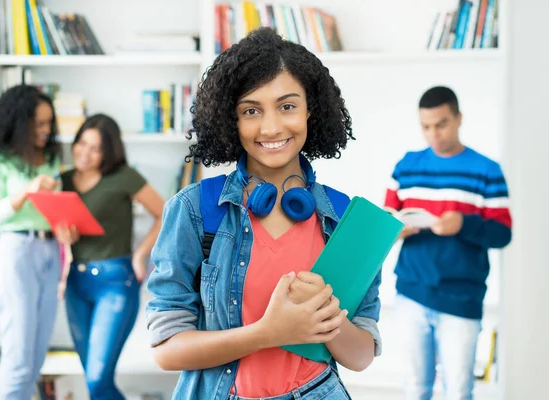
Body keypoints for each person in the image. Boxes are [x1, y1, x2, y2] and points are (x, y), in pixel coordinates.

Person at [146, 27, 382, 400]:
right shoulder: (194, 210)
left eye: (287, 106)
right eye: (251, 110)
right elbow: (165, 350)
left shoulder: (345, 218)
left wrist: (329, 317)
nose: (271, 127)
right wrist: (269, 332)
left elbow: (361, 356)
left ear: (310, 110)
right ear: (231, 119)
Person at [384, 86, 512, 400]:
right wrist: (393, 229)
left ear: (459, 119)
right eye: (426, 127)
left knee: (458, 391)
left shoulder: (487, 171)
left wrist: (463, 224)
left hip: (461, 298)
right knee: (416, 388)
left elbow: (503, 233)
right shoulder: (406, 166)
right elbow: (385, 219)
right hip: (412, 293)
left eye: (441, 124)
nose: (434, 134)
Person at [55, 114, 165, 400]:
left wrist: (141, 255)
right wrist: (63, 234)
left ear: (109, 152)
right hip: (75, 285)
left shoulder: (123, 177)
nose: (84, 152)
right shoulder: (63, 180)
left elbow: (166, 213)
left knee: (97, 380)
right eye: (81, 143)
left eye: (96, 148)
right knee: (93, 382)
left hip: (115, 282)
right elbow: (56, 226)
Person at [0, 84, 62, 400]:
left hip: (52, 250)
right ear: (20, 122)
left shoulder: (50, 156)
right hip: (17, 252)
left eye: (49, 123)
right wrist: (27, 191)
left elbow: (53, 210)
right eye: (38, 124)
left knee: (35, 361)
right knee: (18, 360)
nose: (45, 130)